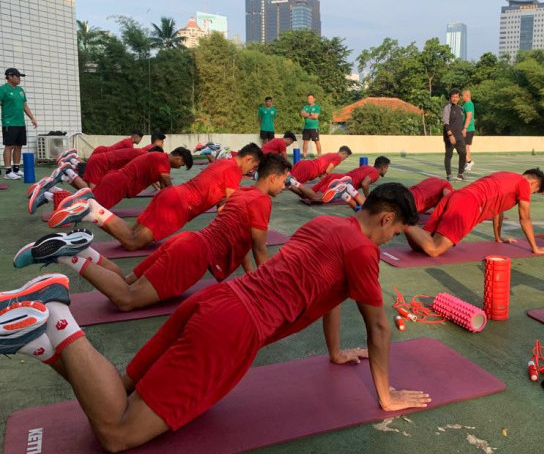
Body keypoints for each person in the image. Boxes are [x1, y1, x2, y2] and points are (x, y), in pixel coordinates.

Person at [0, 183, 430, 452]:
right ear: (388, 217)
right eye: (396, 231)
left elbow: (331, 296)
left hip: (215, 302)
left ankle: (42, 342)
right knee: (118, 434)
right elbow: (378, 327)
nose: (393, 238)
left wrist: (335, 353)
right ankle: (56, 317)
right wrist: (386, 396)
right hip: (231, 331)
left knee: (124, 387)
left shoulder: (327, 227)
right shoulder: (362, 250)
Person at [16, 154, 291, 311]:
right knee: (126, 299)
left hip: (184, 243)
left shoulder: (243, 193)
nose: (285, 186)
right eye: (285, 180)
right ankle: (69, 256)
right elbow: (259, 248)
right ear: (274, 177)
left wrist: (250, 278)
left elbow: (243, 246)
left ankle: (82, 249)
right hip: (191, 255)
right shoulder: (262, 201)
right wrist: (266, 289)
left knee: (125, 280)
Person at [48, 144, 262, 251]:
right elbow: (231, 207)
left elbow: (222, 202)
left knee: (132, 235)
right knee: (133, 242)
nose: (252, 171)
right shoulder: (234, 171)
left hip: (170, 198)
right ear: (250, 159)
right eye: (254, 166)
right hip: (178, 205)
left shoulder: (223, 164)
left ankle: (86, 209)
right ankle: (90, 210)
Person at [404, 169, 544, 257]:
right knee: (435, 250)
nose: (529, 195)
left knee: (419, 246)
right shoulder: (523, 184)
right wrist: (536, 248)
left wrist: (498, 238)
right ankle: (403, 222)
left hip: (454, 197)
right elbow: (525, 218)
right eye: (533, 192)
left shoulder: (505, 176)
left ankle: (406, 223)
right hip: (469, 204)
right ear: (533, 183)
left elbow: (498, 210)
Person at [28, 147, 188, 214]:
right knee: (89, 206)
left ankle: (62, 180)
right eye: (182, 163)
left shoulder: (158, 159)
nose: (180, 167)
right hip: (117, 183)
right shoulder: (162, 160)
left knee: (89, 200)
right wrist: (178, 199)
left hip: (117, 182)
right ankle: (53, 190)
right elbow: (166, 181)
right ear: (178, 157)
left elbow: (162, 185)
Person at [292, 157, 390, 209]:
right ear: (383, 167)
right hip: (342, 181)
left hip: (335, 177)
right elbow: (365, 184)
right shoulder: (375, 173)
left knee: (306, 194)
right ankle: (340, 188)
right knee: (316, 198)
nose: (387, 170)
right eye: (387, 168)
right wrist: (367, 198)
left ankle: (290, 183)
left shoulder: (367, 167)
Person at [1, 68, 38, 180]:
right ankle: (8, 171)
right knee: (9, 146)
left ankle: (16, 169)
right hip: (9, 122)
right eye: (17, 76)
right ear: (10, 76)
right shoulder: (3, 89)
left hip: (20, 123)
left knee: (19, 146)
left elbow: (24, 106)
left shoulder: (20, 90)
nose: (19, 79)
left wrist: (32, 118)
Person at [285, 145, 352, 189]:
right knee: (290, 184)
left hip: (304, 163)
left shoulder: (330, 154)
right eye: (346, 157)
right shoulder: (338, 158)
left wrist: (326, 182)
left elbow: (322, 175)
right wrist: (333, 181)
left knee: (285, 179)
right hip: (309, 169)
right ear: (344, 153)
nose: (344, 159)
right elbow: (328, 170)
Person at [442, 89, 466, 181]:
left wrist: (464, 129)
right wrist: (450, 135)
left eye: (456, 97)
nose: (455, 99)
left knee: (463, 153)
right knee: (449, 155)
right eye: (453, 97)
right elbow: (445, 123)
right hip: (450, 136)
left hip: (459, 136)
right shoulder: (447, 108)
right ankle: (449, 175)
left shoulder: (460, 109)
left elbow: (460, 122)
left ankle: (460, 174)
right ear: (450, 98)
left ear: (459, 98)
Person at [300, 93, 321, 157]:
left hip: (314, 127)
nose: (310, 100)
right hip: (306, 128)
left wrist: (307, 115)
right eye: (308, 98)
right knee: (305, 142)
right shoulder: (305, 107)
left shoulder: (317, 107)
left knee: (317, 142)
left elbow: (315, 117)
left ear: (314, 99)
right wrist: (310, 114)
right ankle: (304, 156)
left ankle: (319, 156)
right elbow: (302, 114)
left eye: (311, 98)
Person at [461, 90, 476, 172]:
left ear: (466, 95)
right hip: (469, 129)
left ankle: (469, 162)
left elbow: (469, 117)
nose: (461, 97)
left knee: (463, 147)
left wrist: (465, 128)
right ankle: (467, 164)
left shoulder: (468, 104)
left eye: (462, 95)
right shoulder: (468, 104)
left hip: (468, 129)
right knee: (466, 147)